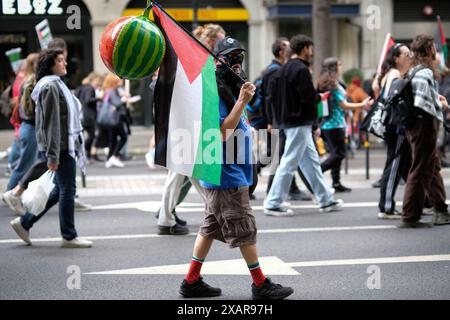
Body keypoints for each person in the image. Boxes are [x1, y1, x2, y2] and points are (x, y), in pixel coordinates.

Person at [179, 37, 294, 300]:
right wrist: (242, 102)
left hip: (228, 172)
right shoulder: (216, 90)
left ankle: (191, 280)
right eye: (231, 57)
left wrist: (246, 121)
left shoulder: (229, 85)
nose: (237, 62)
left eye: (240, 55)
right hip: (225, 174)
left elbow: (236, 123)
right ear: (219, 60)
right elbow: (221, 133)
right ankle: (260, 284)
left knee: (209, 228)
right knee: (245, 228)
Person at [10, 48, 92, 248]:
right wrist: (53, 156)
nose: (65, 64)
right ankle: (69, 236)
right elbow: (51, 124)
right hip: (61, 147)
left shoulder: (57, 84)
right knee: (67, 190)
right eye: (60, 61)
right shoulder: (50, 87)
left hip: (65, 145)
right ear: (50, 65)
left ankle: (25, 222)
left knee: (60, 189)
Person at [156, 24, 226, 235]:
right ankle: (166, 220)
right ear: (213, 40)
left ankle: (213, 213)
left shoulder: (199, 57)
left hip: (188, 124)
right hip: (187, 124)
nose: (223, 43)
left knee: (191, 172)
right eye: (221, 40)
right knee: (181, 174)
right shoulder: (199, 59)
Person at [263, 35, 343, 216]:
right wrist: (319, 99)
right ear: (305, 48)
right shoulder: (301, 69)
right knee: (289, 162)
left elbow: (273, 97)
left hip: (289, 121)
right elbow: (308, 98)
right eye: (311, 48)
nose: (312, 52)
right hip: (299, 122)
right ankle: (273, 202)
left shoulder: (283, 70)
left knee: (311, 162)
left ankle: (325, 199)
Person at [400, 34, 450, 228]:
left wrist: (438, 102)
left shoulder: (415, 69)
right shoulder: (424, 72)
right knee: (420, 169)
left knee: (432, 166)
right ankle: (410, 215)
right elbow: (422, 103)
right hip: (423, 125)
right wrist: (441, 108)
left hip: (417, 126)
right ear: (429, 50)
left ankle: (440, 209)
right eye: (434, 48)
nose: (436, 52)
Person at [259, 37, 312, 201]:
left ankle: (290, 188)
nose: (291, 49)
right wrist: (270, 120)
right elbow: (270, 98)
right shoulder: (275, 70)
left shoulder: (280, 68)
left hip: (279, 119)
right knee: (280, 155)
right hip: (278, 119)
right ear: (281, 51)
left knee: (281, 154)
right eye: (287, 47)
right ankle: (273, 194)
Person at [317, 58, 373, 192]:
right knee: (339, 154)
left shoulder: (329, 82)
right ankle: (317, 173)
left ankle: (336, 182)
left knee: (336, 153)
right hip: (334, 125)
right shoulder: (332, 84)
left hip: (331, 124)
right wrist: (362, 105)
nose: (341, 66)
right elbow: (343, 104)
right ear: (334, 67)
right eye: (339, 64)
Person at [375, 43, 413, 219]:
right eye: (406, 54)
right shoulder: (395, 75)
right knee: (394, 164)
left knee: (403, 163)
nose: (409, 56)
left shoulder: (390, 74)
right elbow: (395, 102)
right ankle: (386, 207)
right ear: (396, 59)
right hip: (396, 126)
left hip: (393, 125)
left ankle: (423, 201)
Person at [4, 53, 39, 193]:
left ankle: (15, 192)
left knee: (25, 162)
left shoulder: (23, 79)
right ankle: (10, 192)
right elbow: (26, 107)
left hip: (24, 126)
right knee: (24, 164)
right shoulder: (28, 81)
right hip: (27, 126)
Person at [101, 74, 130, 169]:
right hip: (116, 119)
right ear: (113, 82)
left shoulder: (108, 90)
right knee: (123, 137)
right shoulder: (111, 91)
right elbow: (116, 103)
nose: (120, 82)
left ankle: (109, 159)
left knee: (112, 140)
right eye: (118, 81)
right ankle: (114, 156)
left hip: (111, 119)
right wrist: (123, 99)